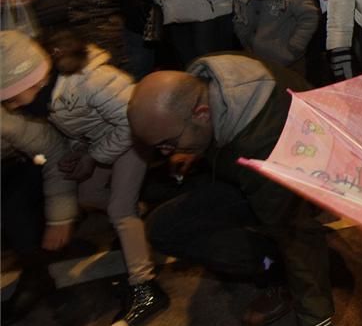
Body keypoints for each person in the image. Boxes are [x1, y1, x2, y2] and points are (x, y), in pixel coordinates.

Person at [128, 55, 334, 326]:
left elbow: (295, 235)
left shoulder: (260, 146)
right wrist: (193, 149)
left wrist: (316, 319)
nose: (167, 152)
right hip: (263, 165)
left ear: (201, 114)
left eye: (169, 142)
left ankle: (275, 273)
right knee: (163, 223)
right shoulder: (218, 78)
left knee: (170, 228)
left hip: (304, 179)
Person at [43, 28, 169, 324]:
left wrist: (92, 158)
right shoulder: (47, 90)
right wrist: (78, 149)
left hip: (134, 135)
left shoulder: (95, 79)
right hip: (104, 140)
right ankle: (137, 219)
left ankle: (146, 290)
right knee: (87, 197)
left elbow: (131, 120)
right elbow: (77, 127)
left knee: (118, 209)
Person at [1, 31, 77, 321]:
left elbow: (56, 153)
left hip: (28, 157)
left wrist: (61, 216)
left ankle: (37, 276)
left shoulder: (10, 122)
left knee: (13, 206)